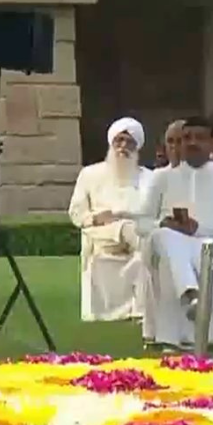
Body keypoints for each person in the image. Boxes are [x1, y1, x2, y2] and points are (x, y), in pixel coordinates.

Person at [136, 114, 213, 346]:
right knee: (163, 235)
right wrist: (162, 223)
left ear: (212, 143)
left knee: (178, 244)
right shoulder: (161, 178)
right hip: (170, 242)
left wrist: (198, 229)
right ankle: (190, 293)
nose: (192, 143)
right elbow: (141, 223)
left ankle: (192, 301)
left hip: (211, 242)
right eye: (187, 138)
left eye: (200, 138)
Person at [68, 117, 152, 321]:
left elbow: (151, 212)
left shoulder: (148, 177)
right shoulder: (90, 174)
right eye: (119, 141)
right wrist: (96, 219)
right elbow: (76, 213)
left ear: (137, 147)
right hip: (100, 232)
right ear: (111, 143)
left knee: (139, 237)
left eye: (129, 142)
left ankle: (143, 308)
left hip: (135, 230)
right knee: (131, 232)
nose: (123, 146)